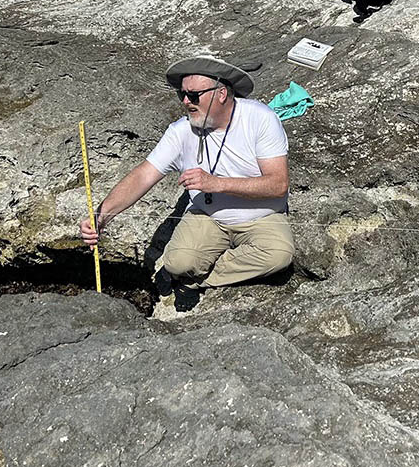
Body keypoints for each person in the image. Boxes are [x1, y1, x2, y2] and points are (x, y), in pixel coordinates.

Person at [79, 56, 294, 305]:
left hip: (262, 217)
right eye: (182, 95)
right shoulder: (181, 131)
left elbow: (278, 184)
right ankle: (181, 273)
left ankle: (195, 281)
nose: (185, 102)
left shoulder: (261, 119)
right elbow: (143, 175)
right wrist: (102, 215)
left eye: (193, 95)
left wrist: (218, 183)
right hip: (208, 216)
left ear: (221, 94)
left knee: (279, 256)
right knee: (178, 262)